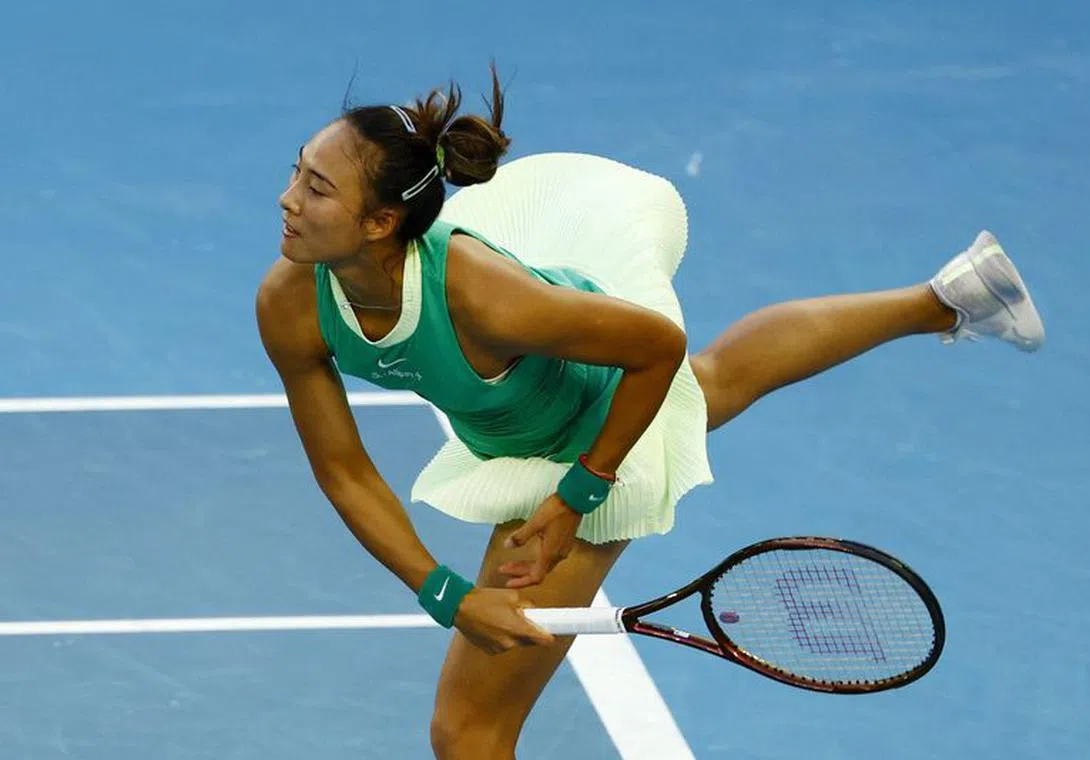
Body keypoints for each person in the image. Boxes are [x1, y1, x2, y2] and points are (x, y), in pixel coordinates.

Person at [255, 64, 1044, 759]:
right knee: (719, 382)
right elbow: (345, 470)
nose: (288, 200)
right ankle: (947, 298)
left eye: (317, 189)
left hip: (597, 432)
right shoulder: (290, 304)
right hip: (524, 407)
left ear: (382, 222)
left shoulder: (479, 298)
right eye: (298, 173)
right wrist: (443, 590)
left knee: (468, 734)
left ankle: (942, 302)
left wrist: (577, 498)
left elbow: (655, 350)